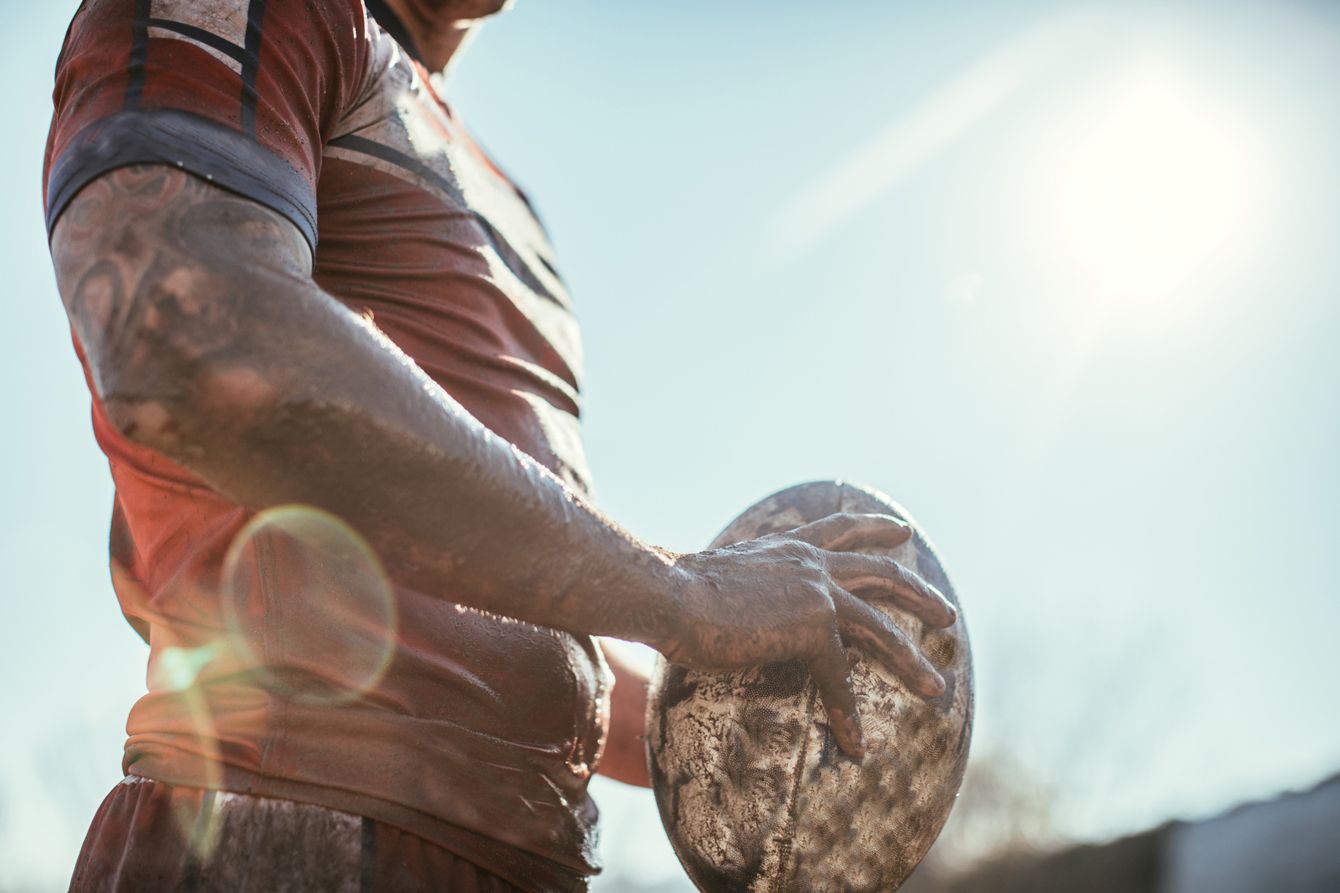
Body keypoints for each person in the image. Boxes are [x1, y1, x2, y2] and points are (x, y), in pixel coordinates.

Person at [44, 0, 957, 889]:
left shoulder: (501, 191)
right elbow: (191, 337)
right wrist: (686, 597)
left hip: (522, 856)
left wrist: (755, 704)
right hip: (282, 818)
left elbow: (511, 627)